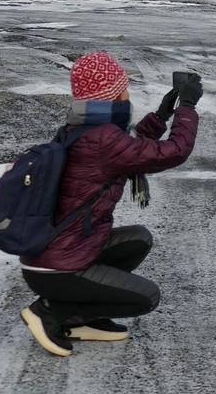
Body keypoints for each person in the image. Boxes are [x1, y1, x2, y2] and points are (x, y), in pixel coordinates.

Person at [18, 52, 201, 357]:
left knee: (139, 239)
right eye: (124, 88)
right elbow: (174, 151)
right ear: (113, 96)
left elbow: (130, 147)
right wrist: (188, 107)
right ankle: (51, 312)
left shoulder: (83, 129)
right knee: (146, 297)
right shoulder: (103, 139)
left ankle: (82, 319)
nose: (128, 94)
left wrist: (161, 115)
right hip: (58, 268)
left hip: (48, 258)